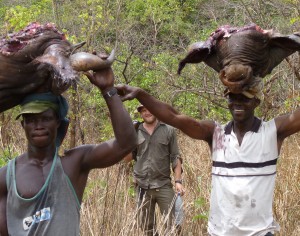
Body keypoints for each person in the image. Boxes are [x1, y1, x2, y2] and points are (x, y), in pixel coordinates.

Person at [116, 84, 300, 236]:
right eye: (232, 97)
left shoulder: (272, 131)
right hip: (220, 232)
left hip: (261, 232)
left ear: (256, 101)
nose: (237, 102)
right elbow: (174, 117)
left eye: (244, 97)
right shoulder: (215, 132)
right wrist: (140, 94)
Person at [0, 63, 137, 235]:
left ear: (57, 121)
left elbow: (127, 143)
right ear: (23, 125)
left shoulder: (75, 163)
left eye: (46, 118)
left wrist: (108, 89)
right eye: (31, 120)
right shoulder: (7, 176)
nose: (39, 126)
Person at [126, 105, 184, 236]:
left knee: (173, 225)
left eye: (149, 109)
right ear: (140, 114)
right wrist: (125, 139)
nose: (147, 113)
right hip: (142, 187)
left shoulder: (168, 130)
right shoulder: (135, 131)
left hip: (163, 185)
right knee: (147, 226)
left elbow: (176, 157)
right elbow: (128, 158)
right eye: (143, 110)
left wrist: (178, 181)